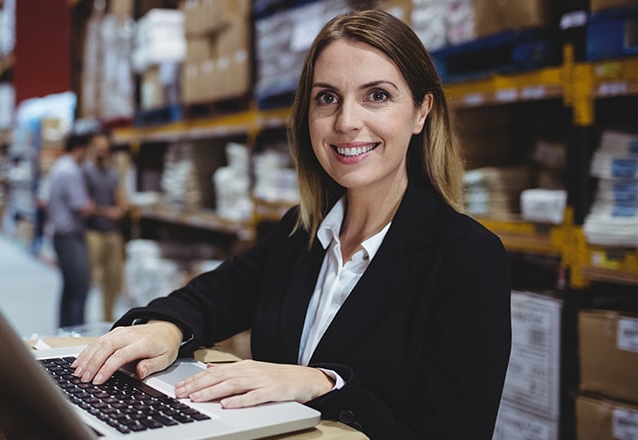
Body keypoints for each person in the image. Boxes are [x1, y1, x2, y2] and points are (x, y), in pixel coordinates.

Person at [71, 9, 511, 439]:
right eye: (327, 98)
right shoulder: (301, 233)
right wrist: (166, 329)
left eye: (377, 95)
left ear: (421, 111)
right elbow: (209, 299)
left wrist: (325, 384)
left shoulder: (466, 256)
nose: (346, 122)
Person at [46, 131, 95, 328]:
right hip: (70, 237)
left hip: (61, 235)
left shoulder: (60, 167)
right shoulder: (70, 171)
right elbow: (82, 207)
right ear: (81, 148)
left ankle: (65, 329)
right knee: (80, 287)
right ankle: (76, 332)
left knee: (69, 287)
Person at [82, 130, 128, 322]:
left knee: (113, 279)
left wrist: (119, 208)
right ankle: (80, 320)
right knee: (88, 279)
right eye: (98, 147)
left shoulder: (112, 173)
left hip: (112, 233)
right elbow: (86, 206)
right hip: (93, 233)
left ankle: (108, 320)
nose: (102, 151)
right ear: (92, 148)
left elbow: (121, 201)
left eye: (105, 148)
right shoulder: (85, 171)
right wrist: (108, 211)